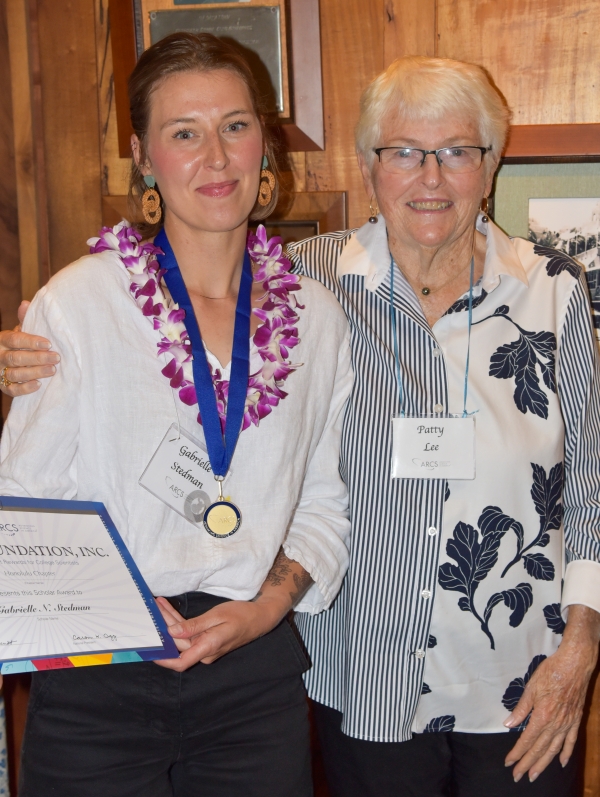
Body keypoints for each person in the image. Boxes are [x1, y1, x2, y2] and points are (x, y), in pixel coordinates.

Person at [5, 55, 600, 797]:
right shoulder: (306, 280)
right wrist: (26, 351)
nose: (429, 177)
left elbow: (589, 490)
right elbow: (32, 493)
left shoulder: (537, 291)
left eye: (456, 152)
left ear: (492, 163)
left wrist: (580, 647)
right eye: (403, 153)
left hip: (498, 668)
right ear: (367, 164)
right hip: (336, 672)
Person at [0, 32, 352, 797]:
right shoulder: (81, 303)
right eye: (183, 133)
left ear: (266, 141)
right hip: (102, 667)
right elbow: (29, 496)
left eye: (235, 125)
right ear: (144, 154)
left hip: (252, 678)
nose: (216, 157)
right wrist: (120, 600)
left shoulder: (317, 320)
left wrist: (261, 610)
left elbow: (324, 499)